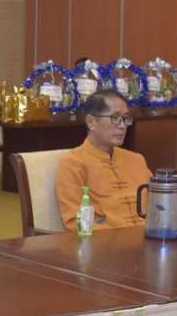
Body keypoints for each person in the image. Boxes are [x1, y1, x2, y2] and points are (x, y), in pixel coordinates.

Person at [56, 89, 153, 231]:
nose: (123, 125)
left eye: (126, 118)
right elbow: (75, 221)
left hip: (149, 239)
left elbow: (159, 206)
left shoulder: (136, 160)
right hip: (105, 242)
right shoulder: (73, 163)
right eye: (115, 117)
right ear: (91, 122)